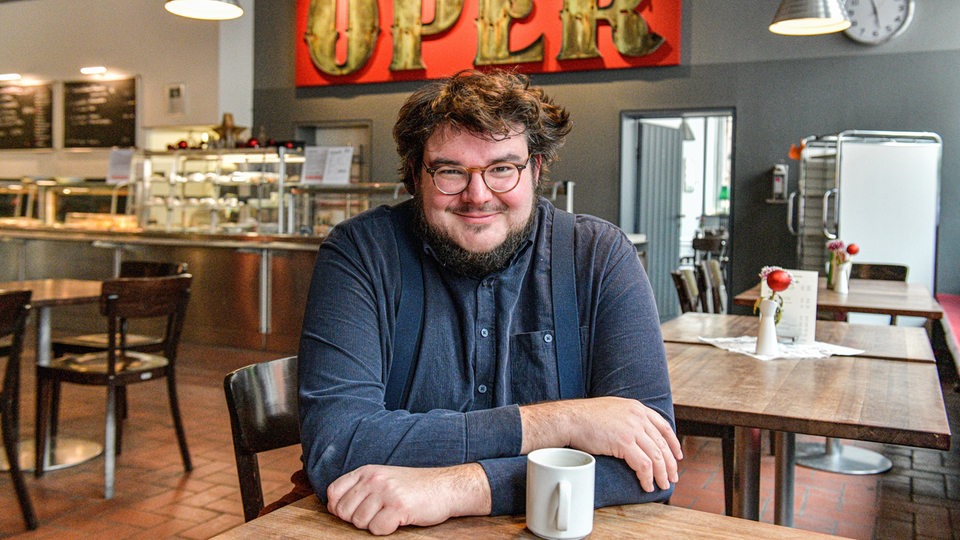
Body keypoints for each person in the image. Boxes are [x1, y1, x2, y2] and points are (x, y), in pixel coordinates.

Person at [298, 69, 682, 535]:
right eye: (450, 171)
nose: (477, 196)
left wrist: (454, 488)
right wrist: (564, 422)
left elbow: (652, 466)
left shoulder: (599, 256)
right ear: (417, 176)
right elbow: (338, 446)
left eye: (502, 168)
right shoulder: (361, 253)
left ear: (536, 169)